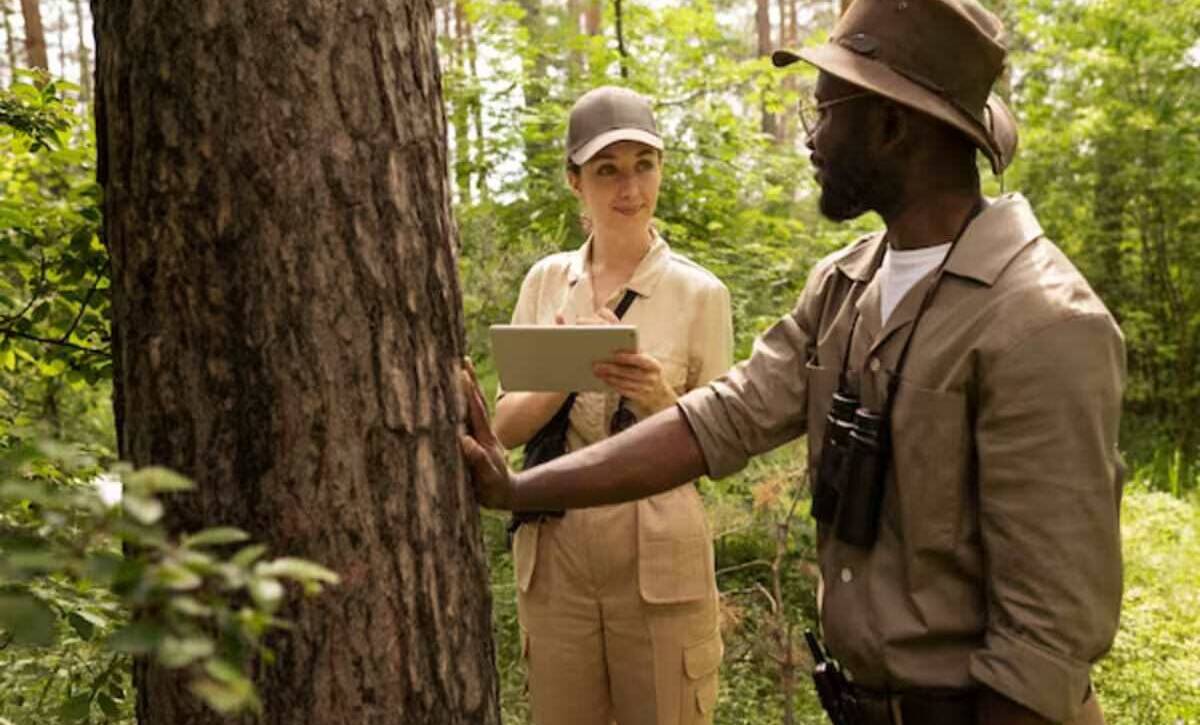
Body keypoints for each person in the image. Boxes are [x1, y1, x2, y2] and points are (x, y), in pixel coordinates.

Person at [462, 2, 1125, 724]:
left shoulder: (1041, 323)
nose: (811, 140)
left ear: (891, 126)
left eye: (825, 113)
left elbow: (1044, 645)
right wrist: (517, 488)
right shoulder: (845, 287)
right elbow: (721, 417)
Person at [491, 85, 734, 725]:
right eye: (607, 171)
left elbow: (724, 449)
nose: (630, 189)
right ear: (576, 182)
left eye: (643, 166)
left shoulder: (699, 294)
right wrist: (567, 363)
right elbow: (502, 428)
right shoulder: (546, 283)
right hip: (557, 554)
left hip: (658, 555)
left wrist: (659, 400)